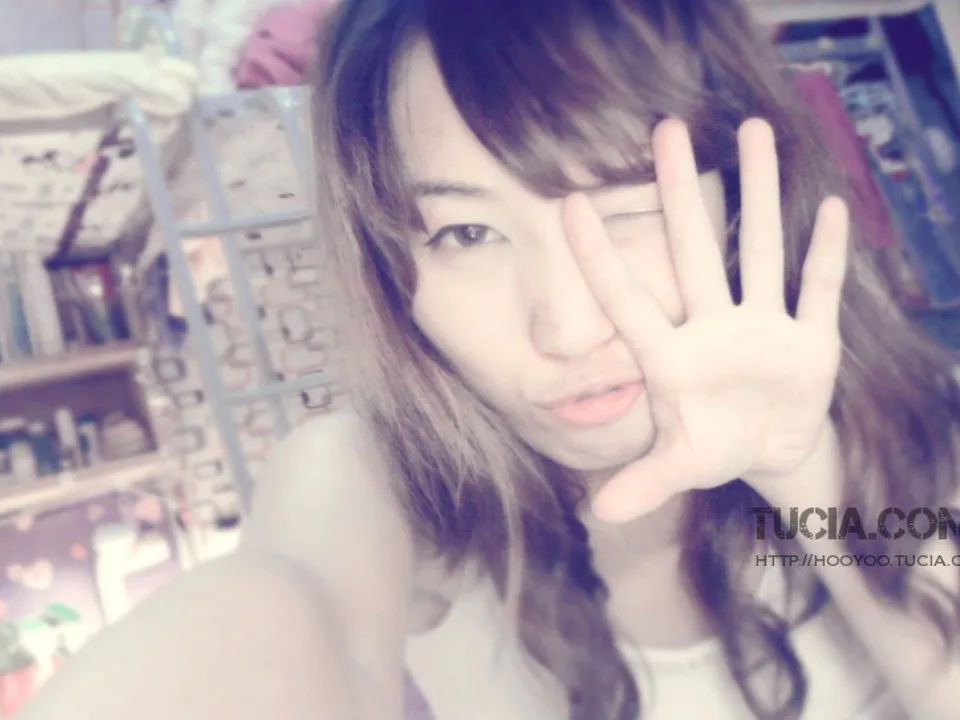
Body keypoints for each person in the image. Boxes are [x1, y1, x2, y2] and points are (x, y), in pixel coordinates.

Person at [19, 0, 960, 718]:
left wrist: (805, 467)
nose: (565, 328)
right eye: (466, 232)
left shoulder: (929, 417)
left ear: (743, 207)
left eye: (630, 207)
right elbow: (285, 609)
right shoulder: (380, 483)